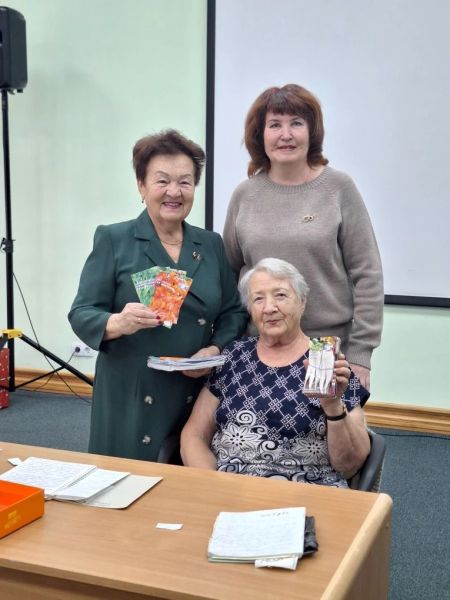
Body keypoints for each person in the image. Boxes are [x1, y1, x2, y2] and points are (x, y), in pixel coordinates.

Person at [69, 129, 248, 462]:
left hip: (193, 388)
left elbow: (233, 313)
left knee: (186, 479)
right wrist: (117, 322)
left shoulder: (210, 244)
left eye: (184, 182)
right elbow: (82, 312)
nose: (174, 192)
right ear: (141, 186)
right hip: (132, 392)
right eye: (162, 181)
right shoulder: (114, 239)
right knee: (126, 478)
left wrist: (213, 350)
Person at [223, 84, 383, 390]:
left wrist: (361, 354)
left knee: (326, 421)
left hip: (325, 348)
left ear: (312, 132)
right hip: (260, 347)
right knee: (254, 423)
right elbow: (228, 276)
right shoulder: (244, 195)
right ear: (260, 135)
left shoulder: (338, 188)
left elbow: (368, 274)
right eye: (275, 125)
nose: (286, 134)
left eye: (296, 123)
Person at [180, 258, 370, 488]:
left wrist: (333, 405)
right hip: (229, 490)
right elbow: (194, 435)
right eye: (258, 299)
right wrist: (213, 484)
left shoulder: (326, 359)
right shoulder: (234, 355)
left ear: (302, 302)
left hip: (305, 491)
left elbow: (349, 464)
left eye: (280, 295)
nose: (269, 308)